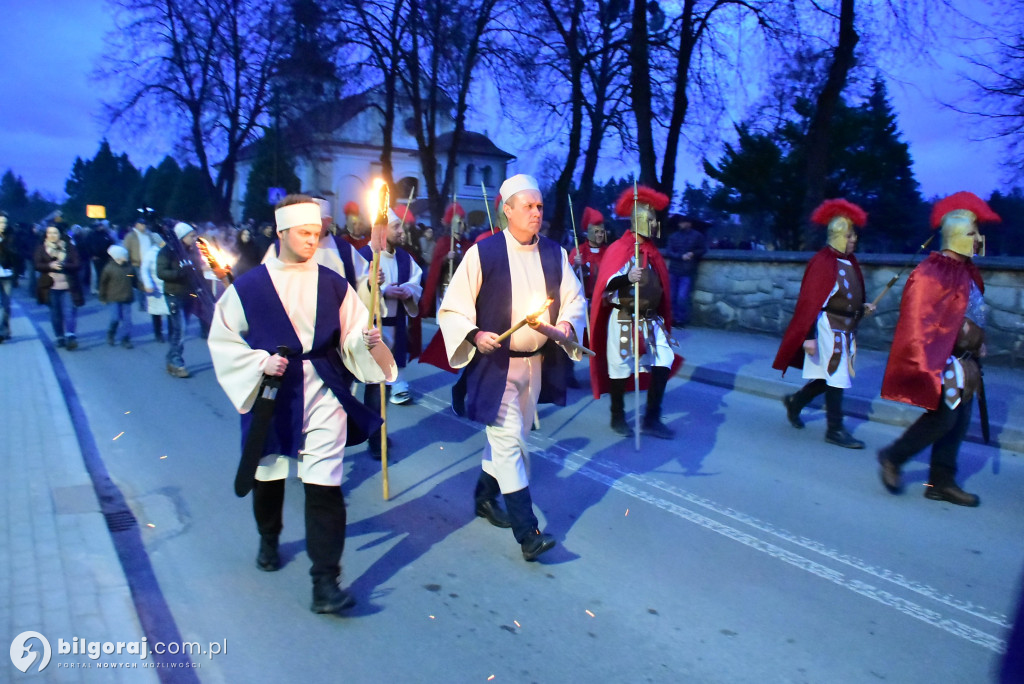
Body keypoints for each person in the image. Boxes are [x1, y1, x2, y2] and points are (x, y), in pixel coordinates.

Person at [208, 194, 395, 613]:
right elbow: (222, 339)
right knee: (268, 473)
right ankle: (269, 536)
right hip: (274, 393)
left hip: (325, 390)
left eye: (317, 233)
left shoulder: (333, 283)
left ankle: (325, 582)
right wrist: (258, 361)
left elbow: (350, 332)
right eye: (304, 234)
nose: (313, 241)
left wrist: (364, 341)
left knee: (325, 485)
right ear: (281, 233)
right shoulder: (249, 286)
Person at [438, 174, 586, 562]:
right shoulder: (482, 253)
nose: (537, 213)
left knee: (512, 437)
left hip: (534, 364)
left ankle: (484, 497)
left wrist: (565, 327)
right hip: (496, 365)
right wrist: (473, 333)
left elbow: (574, 300)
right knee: (510, 443)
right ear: (507, 210)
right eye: (528, 206)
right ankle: (528, 532)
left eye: (539, 206)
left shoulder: (555, 253)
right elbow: (453, 306)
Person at [877, 191, 1000, 507]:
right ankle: (893, 456)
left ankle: (941, 482)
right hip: (945, 360)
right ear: (956, 235)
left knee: (958, 423)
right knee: (943, 420)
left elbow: (971, 311)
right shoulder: (932, 272)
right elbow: (919, 319)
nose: (977, 239)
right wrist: (936, 358)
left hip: (966, 362)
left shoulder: (967, 272)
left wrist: (979, 342)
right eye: (971, 233)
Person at [773, 199, 871, 449]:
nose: (854, 240)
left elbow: (848, 295)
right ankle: (834, 429)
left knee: (830, 376)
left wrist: (861, 308)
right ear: (837, 235)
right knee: (837, 376)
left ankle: (796, 401)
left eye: (854, 236)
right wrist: (808, 336)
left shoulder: (849, 262)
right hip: (828, 326)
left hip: (844, 327)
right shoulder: (822, 262)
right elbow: (809, 303)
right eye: (849, 236)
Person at [589, 186, 682, 440]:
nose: (654, 224)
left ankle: (652, 417)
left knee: (664, 358)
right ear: (638, 219)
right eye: (650, 219)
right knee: (620, 366)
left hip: (650, 318)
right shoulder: (619, 249)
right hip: (623, 316)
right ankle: (617, 415)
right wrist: (627, 277)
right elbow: (607, 286)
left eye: (654, 219)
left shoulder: (651, 251)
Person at [359, 208, 422, 415]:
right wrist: (383, 290)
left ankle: (379, 430)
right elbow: (357, 287)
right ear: (382, 231)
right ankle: (375, 434)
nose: (402, 231)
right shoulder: (364, 255)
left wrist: (407, 290)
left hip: (397, 325)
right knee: (375, 384)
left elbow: (416, 281)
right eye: (397, 227)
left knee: (387, 381)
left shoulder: (404, 257)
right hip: (375, 328)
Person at [157, 222, 202, 378]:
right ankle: (177, 361)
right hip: (173, 294)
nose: (195, 238)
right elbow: (161, 272)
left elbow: (198, 269)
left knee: (179, 329)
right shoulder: (167, 251)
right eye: (191, 236)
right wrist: (181, 272)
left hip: (188, 294)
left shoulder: (193, 251)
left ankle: (171, 358)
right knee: (180, 329)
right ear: (182, 236)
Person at [34, 223, 84, 350]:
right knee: (55, 314)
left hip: (68, 286)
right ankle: (59, 337)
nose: (52, 235)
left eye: (55, 233)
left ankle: (70, 336)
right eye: (49, 233)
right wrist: (50, 266)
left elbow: (77, 264)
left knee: (69, 311)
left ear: (60, 234)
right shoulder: (41, 248)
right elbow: (37, 265)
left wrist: (63, 265)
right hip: (50, 286)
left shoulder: (70, 247)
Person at [663, 215, 707, 327]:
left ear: (689, 223)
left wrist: (693, 253)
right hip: (674, 269)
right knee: (672, 296)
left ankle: (680, 319)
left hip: (687, 270)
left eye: (683, 223)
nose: (681, 225)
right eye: (680, 223)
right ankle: (673, 318)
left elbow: (703, 249)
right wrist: (680, 256)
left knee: (682, 297)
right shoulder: (674, 236)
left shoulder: (697, 236)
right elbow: (669, 251)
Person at [99, 245, 136, 348]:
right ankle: (111, 333)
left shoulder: (128, 268)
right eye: (124, 255)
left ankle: (125, 339)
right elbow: (103, 284)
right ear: (117, 257)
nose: (127, 256)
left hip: (127, 297)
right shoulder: (108, 269)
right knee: (115, 318)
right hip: (113, 298)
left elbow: (132, 278)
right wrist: (102, 297)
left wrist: (140, 286)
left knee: (127, 320)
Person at [567, 207, 607, 301]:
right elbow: (568, 276)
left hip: (602, 299)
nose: (600, 235)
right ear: (590, 233)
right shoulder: (578, 251)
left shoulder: (608, 252)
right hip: (581, 299)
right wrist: (576, 265)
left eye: (602, 232)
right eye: (596, 232)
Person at [123, 217, 158, 315]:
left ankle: (151, 301)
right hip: (137, 263)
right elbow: (126, 249)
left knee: (150, 281)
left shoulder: (150, 235)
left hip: (150, 262)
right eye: (141, 224)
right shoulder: (130, 236)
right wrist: (127, 261)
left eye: (144, 224)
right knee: (141, 283)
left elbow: (155, 245)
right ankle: (142, 303)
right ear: (137, 225)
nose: (143, 226)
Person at [139, 233, 170, 341]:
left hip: (168, 285)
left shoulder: (170, 251)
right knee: (156, 312)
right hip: (155, 286)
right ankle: (158, 333)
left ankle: (172, 333)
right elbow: (144, 270)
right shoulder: (151, 253)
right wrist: (148, 284)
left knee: (171, 310)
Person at [0, 212, 16, 342]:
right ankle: (1, 331)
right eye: (0, 222)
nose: (3, 225)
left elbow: (15, 255)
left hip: (7, 275)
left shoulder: (10, 237)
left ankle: (5, 329)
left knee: (6, 304)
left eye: (4, 222)